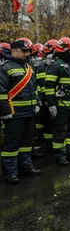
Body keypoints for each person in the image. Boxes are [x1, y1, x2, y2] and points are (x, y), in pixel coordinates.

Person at [0, 38, 41, 184]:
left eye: (28, 51)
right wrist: (5, 111)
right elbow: (1, 91)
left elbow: (34, 89)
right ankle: (10, 172)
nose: (27, 54)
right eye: (24, 51)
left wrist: (37, 103)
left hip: (29, 112)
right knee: (11, 145)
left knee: (26, 143)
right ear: (14, 51)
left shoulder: (28, 67)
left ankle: (26, 167)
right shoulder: (5, 67)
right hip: (14, 113)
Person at [45, 37, 70, 166]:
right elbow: (48, 87)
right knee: (60, 131)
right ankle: (60, 155)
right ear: (64, 50)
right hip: (60, 105)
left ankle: (69, 152)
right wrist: (51, 104)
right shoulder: (55, 65)